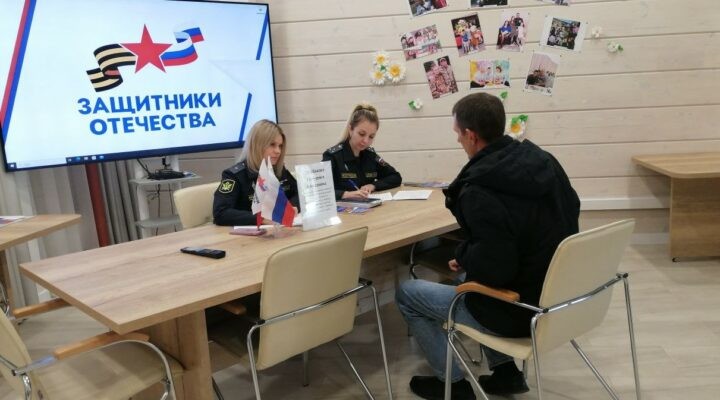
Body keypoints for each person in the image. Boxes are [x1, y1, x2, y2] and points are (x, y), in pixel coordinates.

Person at [396, 92, 580, 400]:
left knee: (407, 293)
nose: (458, 140)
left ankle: (452, 385)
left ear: (471, 135)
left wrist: (464, 253)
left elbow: (495, 270)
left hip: (519, 310)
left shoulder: (480, 190)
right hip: (560, 297)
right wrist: (471, 255)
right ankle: (506, 374)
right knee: (466, 275)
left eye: (458, 134)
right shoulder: (545, 162)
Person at [213, 119, 299, 226]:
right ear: (257, 145)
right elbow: (221, 213)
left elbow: (300, 193)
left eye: (280, 146)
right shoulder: (234, 176)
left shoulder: (279, 170)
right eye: (272, 145)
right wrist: (261, 219)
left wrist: (290, 207)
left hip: (279, 230)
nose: (278, 151)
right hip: (246, 234)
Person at [322, 103, 401, 200]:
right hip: (342, 207)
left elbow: (395, 177)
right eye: (362, 134)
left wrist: (373, 185)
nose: (366, 141)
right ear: (350, 129)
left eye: (371, 136)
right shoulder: (332, 156)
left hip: (368, 207)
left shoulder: (371, 155)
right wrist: (346, 194)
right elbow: (320, 191)